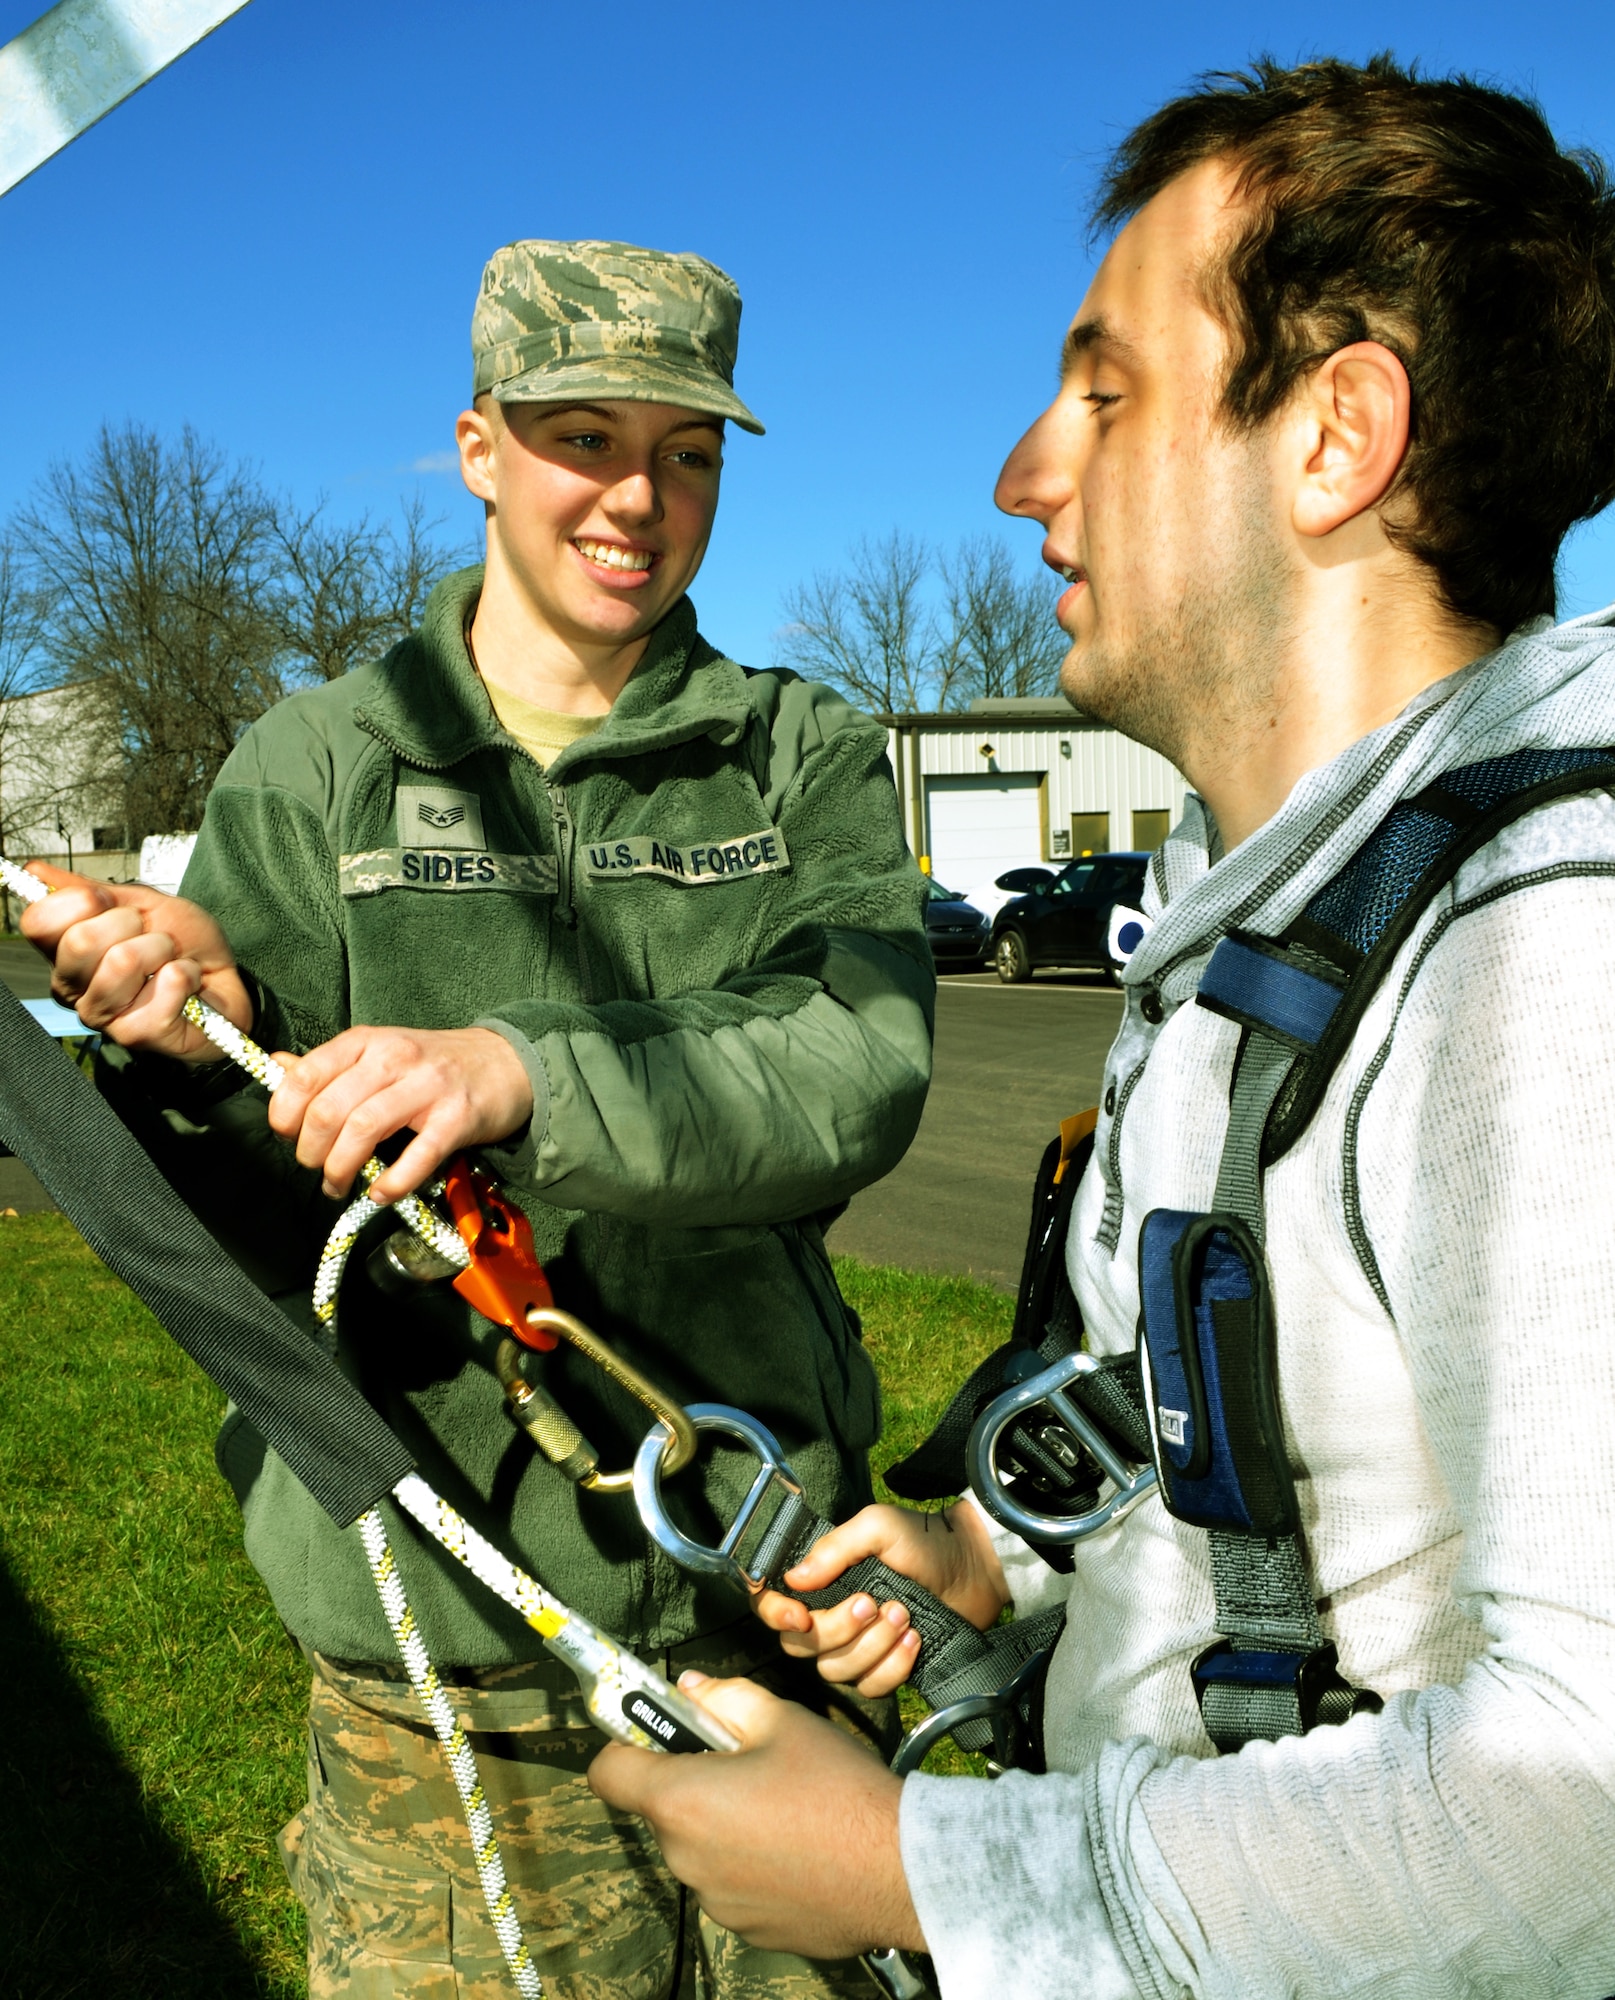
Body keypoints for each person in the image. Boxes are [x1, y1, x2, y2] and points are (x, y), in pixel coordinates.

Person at [588, 59, 1615, 1997]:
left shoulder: (1549, 956)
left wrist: (924, 1870)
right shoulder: (1272, 934)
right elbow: (1253, 1443)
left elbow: (1589, 1796)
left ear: (1335, 436)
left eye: (1104, 392)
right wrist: (992, 1564)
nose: (1021, 473)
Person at [22, 239, 932, 1997]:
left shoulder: (795, 754)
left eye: (689, 454)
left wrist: (514, 1071)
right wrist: (193, 1027)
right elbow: (239, 1196)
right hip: (456, 1661)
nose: (638, 498)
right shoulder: (321, 763)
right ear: (477, 448)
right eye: (584, 436)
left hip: (777, 1606)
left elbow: (857, 1064)